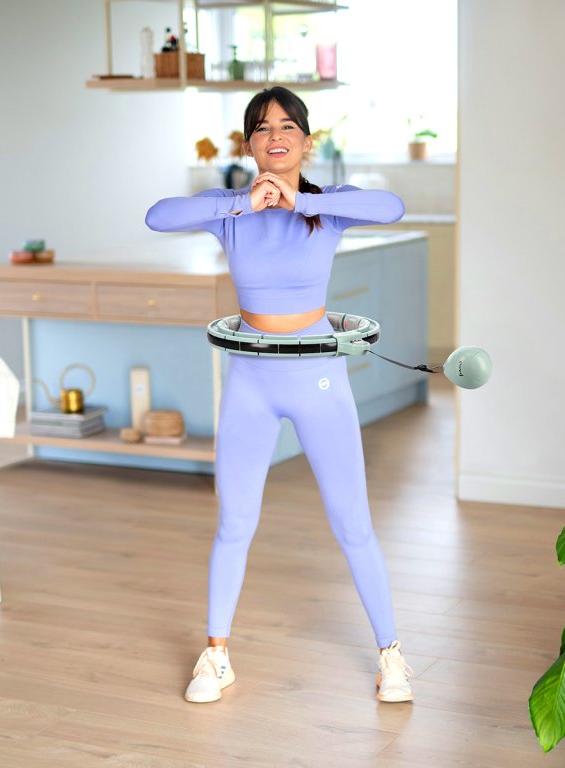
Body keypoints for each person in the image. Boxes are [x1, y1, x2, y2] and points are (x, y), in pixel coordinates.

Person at [146, 86, 414, 704]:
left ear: (306, 141)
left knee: (352, 523)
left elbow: (393, 206)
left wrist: (299, 200)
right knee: (234, 521)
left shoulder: (330, 207)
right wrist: (244, 202)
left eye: (288, 126)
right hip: (251, 381)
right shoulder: (229, 211)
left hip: (318, 377)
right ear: (249, 144)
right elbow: (158, 216)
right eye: (263, 128)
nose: (276, 137)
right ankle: (216, 656)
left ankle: (392, 655)